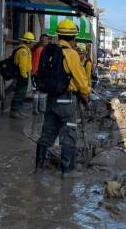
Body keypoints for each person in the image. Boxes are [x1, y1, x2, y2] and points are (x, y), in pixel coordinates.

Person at [34, 19, 90, 180]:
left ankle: (38, 168)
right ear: (73, 38)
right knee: (69, 135)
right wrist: (86, 96)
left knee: (47, 133)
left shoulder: (50, 51)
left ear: (59, 35)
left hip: (51, 99)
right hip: (67, 101)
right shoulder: (71, 54)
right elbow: (81, 80)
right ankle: (68, 171)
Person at [10, 31, 35, 118]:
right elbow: (22, 66)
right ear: (28, 42)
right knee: (19, 93)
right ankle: (14, 111)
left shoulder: (25, 50)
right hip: (22, 75)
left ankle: (17, 111)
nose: (32, 44)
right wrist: (24, 76)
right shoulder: (23, 51)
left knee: (21, 93)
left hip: (22, 75)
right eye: (32, 42)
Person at [30, 34, 50, 118]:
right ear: (41, 40)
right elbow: (39, 64)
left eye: (47, 40)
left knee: (39, 91)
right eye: (44, 40)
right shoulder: (40, 50)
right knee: (37, 91)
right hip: (37, 73)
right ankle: (37, 109)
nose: (46, 41)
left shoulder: (38, 48)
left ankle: (40, 108)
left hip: (37, 73)